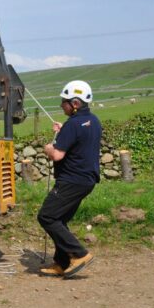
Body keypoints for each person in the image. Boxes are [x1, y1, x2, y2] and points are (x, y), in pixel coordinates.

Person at [38, 80, 102, 278]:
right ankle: (62, 263)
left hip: (71, 181)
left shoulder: (72, 124)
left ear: (75, 103)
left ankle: (80, 254)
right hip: (86, 180)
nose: (61, 105)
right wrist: (63, 131)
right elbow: (78, 139)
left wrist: (48, 147)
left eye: (64, 102)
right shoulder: (93, 120)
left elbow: (57, 155)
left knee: (46, 217)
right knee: (60, 219)